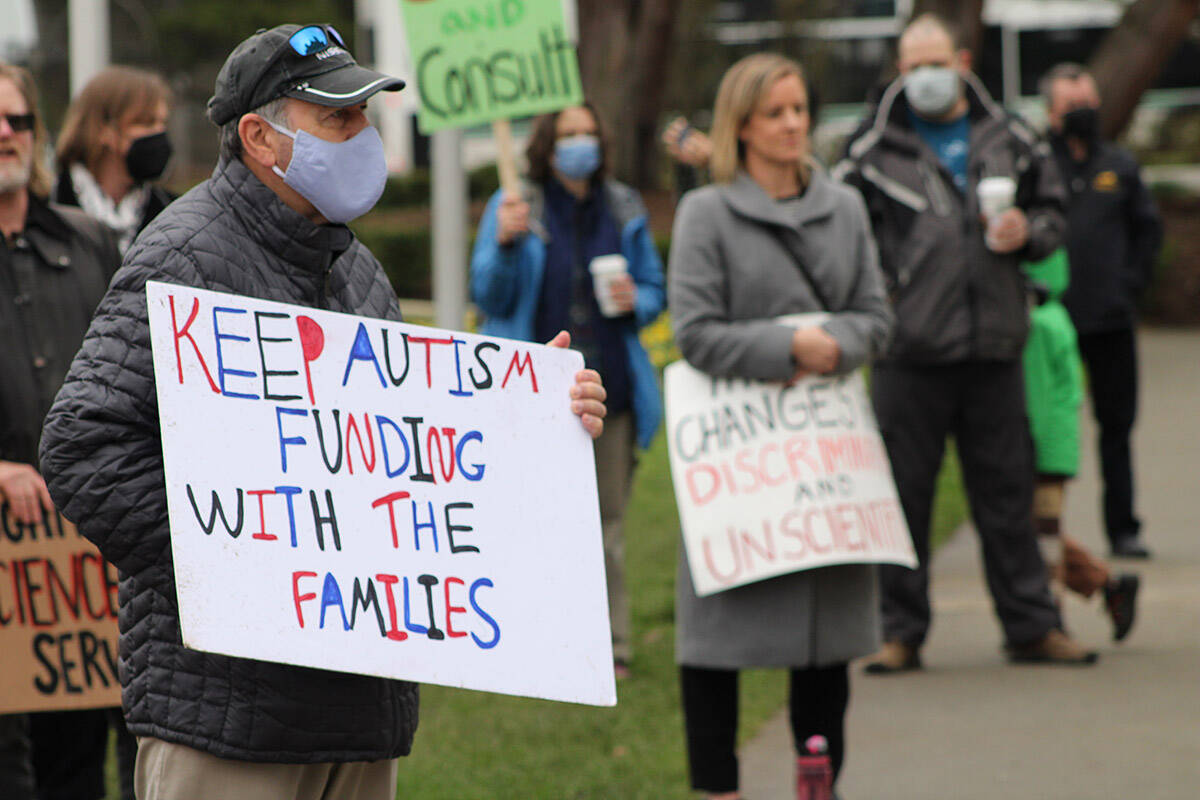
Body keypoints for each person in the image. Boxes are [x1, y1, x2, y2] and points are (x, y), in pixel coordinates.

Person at [38, 24, 607, 800]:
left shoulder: (358, 268)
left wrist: (541, 418)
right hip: (231, 722)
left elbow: (409, 457)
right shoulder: (185, 255)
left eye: (364, 116)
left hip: (360, 713)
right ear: (260, 138)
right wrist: (232, 565)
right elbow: (83, 445)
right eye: (337, 118)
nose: (362, 137)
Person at [834, 13, 1098, 672]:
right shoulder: (870, 147)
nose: (925, 76)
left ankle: (1033, 626)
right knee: (901, 502)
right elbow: (839, 236)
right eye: (912, 65)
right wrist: (881, 293)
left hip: (994, 350)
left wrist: (1028, 233)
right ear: (900, 69)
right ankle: (900, 633)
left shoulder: (1010, 133)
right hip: (907, 353)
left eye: (936, 62)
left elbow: (1055, 211)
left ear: (961, 60)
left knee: (1008, 498)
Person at [669, 53, 893, 799]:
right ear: (742, 125)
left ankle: (817, 776)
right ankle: (718, 786)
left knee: (826, 644)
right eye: (776, 113)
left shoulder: (847, 208)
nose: (794, 124)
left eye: (800, 109)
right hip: (742, 466)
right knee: (716, 639)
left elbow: (876, 316)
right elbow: (694, 332)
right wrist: (785, 347)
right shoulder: (706, 213)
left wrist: (841, 344)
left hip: (826, 461)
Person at [470, 103, 664, 677]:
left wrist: (639, 300)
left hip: (610, 392)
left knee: (606, 526)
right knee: (531, 520)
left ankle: (613, 647)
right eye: (569, 133)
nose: (582, 142)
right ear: (546, 145)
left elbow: (655, 287)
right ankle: (536, 640)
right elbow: (490, 296)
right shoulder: (515, 203)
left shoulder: (623, 205)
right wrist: (505, 244)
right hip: (533, 393)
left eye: (589, 131)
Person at [0, 62, 122, 800]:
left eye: (16, 120)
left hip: (79, 568)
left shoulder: (88, 242)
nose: (3, 134)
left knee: (84, 763)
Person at [1040, 62, 1162, 560]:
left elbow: (1147, 232)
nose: (1082, 113)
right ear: (1050, 113)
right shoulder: (1037, 167)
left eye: (1088, 103)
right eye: (1071, 107)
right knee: (1049, 434)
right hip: (1054, 327)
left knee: (1117, 428)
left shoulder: (1120, 166)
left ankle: (1123, 529)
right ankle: (1045, 537)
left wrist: (1129, 285)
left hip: (1111, 322)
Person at [1021, 248, 1139, 641]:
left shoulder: (1042, 324)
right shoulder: (1044, 319)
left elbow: (1048, 397)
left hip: (1044, 449)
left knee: (1043, 536)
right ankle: (1107, 585)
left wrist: (1031, 443)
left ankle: (1051, 619)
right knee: (1024, 529)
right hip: (1040, 445)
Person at [53, 65, 175, 256]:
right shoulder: (49, 210)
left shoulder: (172, 213)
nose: (159, 133)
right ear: (103, 129)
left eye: (163, 123)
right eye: (146, 122)